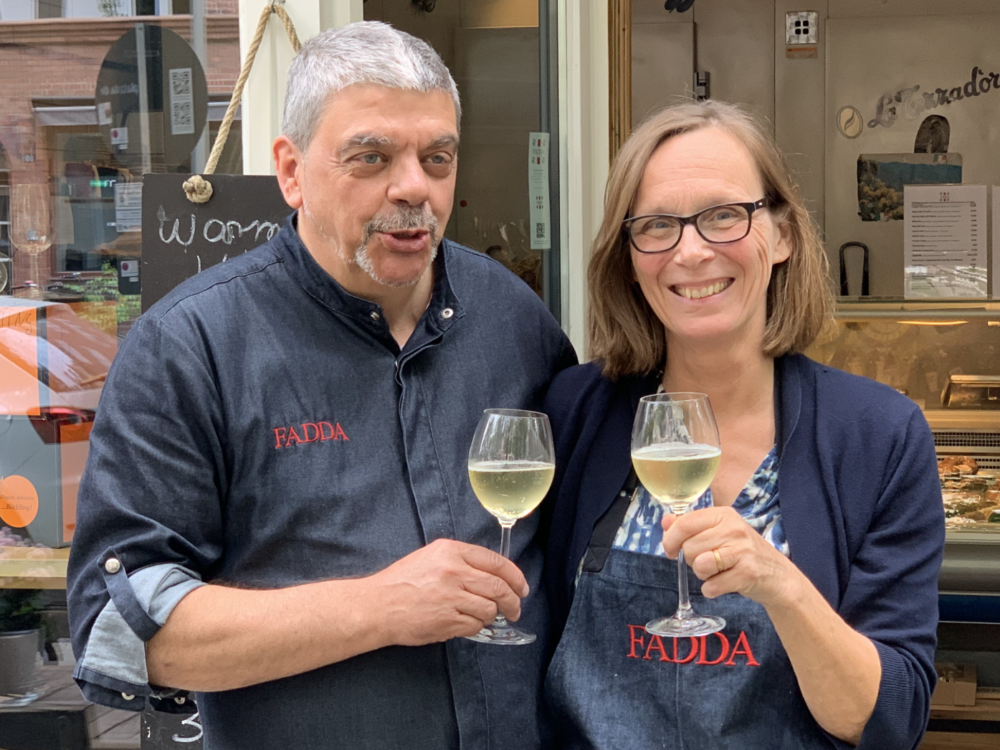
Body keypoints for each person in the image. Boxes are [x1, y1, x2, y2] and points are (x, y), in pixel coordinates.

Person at [67, 22, 575, 750]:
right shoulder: (190, 348)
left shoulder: (514, 319)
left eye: (438, 158)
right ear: (291, 170)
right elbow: (118, 631)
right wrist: (379, 607)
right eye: (371, 157)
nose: (413, 187)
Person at [540, 100, 944, 749]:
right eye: (657, 225)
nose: (692, 251)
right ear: (629, 253)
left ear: (781, 234)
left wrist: (779, 584)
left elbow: (889, 719)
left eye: (724, 215)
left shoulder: (880, 436)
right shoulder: (574, 412)